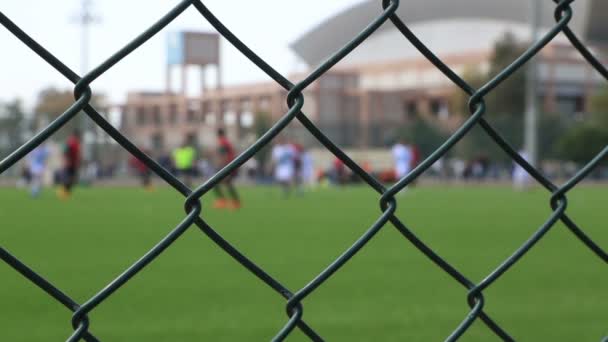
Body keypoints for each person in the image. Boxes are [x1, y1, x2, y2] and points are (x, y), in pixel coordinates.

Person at [213, 128, 241, 209]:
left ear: (218, 134)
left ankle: (224, 201)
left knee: (215, 183)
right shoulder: (226, 141)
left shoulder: (222, 142)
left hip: (227, 166)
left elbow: (224, 155)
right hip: (230, 165)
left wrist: (222, 166)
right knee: (227, 183)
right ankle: (234, 202)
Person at [58, 129, 81, 199]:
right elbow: (66, 150)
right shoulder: (72, 142)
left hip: (73, 163)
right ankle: (63, 193)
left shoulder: (75, 142)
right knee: (68, 179)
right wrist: (67, 160)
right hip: (70, 163)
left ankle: (66, 193)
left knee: (71, 179)